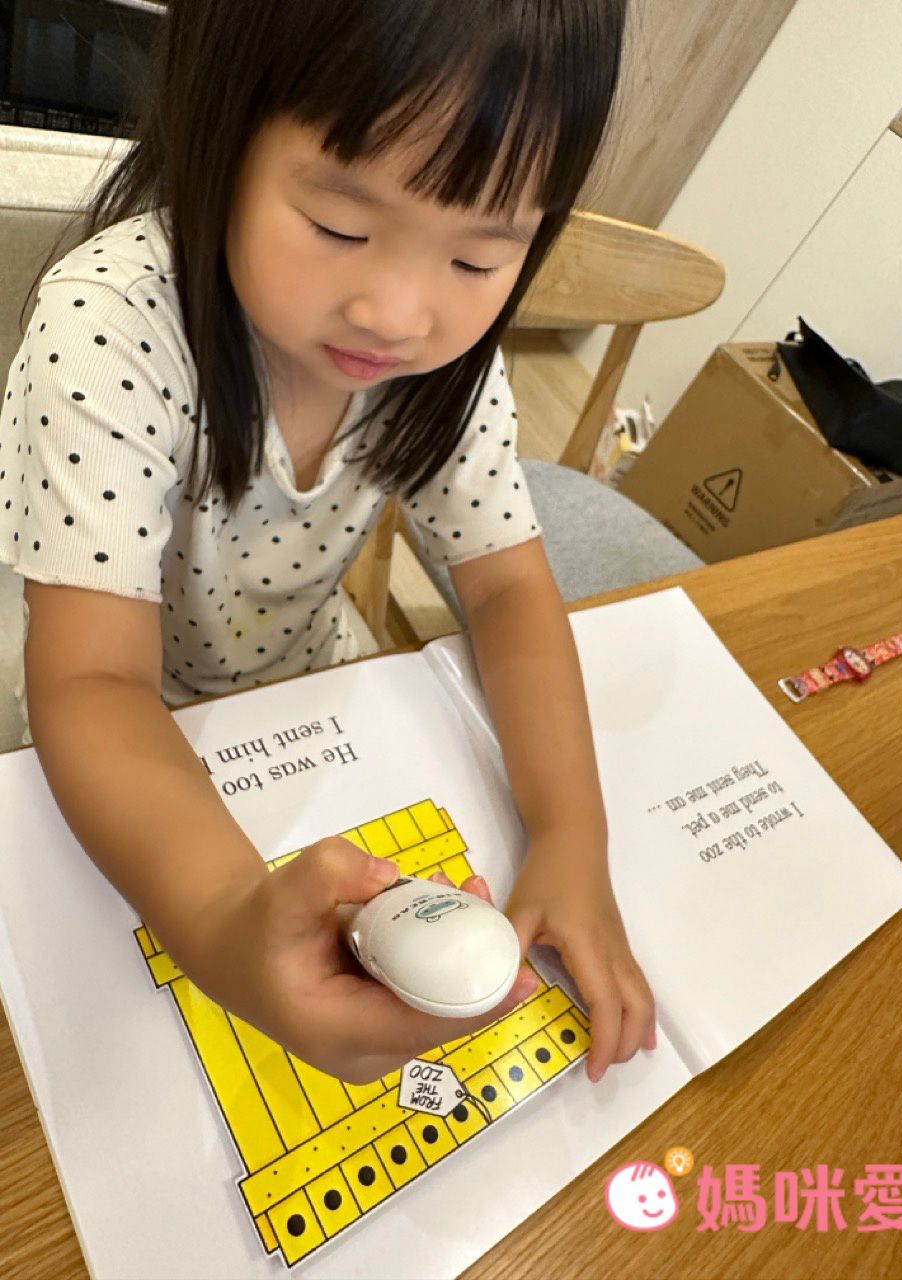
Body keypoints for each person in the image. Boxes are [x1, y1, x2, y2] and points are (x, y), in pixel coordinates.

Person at [0, 0, 656, 1086]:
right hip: (118, 733)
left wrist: (571, 833)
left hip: (305, 692)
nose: (398, 314)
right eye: (341, 228)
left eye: (478, 257)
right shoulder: (110, 326)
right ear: (220, 128)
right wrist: (226, 924)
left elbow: (507, 590)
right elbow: (90, 683)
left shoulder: (444, 365)